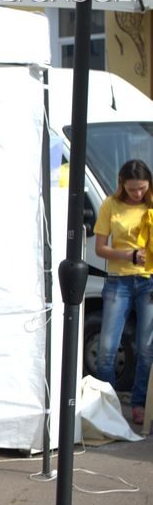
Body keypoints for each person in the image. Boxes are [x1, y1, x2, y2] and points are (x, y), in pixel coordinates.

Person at [93, 158, 153, 426]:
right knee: (107, 348)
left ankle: (139, 403)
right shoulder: (110, 204)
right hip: (118, 280)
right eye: (131, 189)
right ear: (122, 185)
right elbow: (100, 249)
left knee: (146, 348)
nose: (137, 193)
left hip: (148, 280)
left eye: (142, 188)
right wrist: (128, 255)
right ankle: (108, 404)